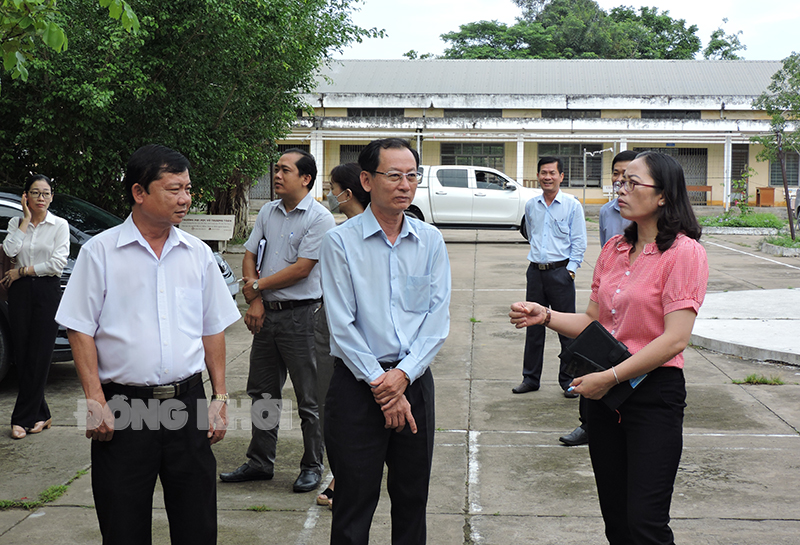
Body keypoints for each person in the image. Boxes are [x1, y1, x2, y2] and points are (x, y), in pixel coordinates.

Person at [510, 151, 708, 544]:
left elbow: (674, 339)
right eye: (620, 182)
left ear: (664, 195)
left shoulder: (684, 253)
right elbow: (592, 322)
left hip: (652, 395)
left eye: (633, 183)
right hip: (604, 397)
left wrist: (610, 377)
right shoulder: (615, 248)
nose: (621, 190)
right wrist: (545, 315)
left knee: (646, 523)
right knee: (616, 521)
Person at [55, 144, 240, 544]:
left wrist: (220, 397)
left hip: (187, 404)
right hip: (123, 409)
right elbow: (79, 329)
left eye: (188, 188)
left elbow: (213, 329)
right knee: (123, 524)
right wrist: (94, 399)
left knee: (197, 525)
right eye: (174, 189)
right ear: (140, 192)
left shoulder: (197, 255)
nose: (186, 199)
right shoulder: (100, 253)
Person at [320, 138, 451, 544]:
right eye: (393, 175)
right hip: (357, 389)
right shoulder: (340, 242)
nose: (404, 185)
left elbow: (437, 320)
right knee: (353, 502)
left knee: (412, 499)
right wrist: (383, 384)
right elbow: (341, 324)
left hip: (414, 385)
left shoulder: (430, 240)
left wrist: (403, 378)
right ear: (366, 179)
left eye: (412, 175)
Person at [220, 148, 336, 493]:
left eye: (285, 170)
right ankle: (260, 462)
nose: (277, 175)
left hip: (303, 318)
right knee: (263, 393)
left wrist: (256, 287)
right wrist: (255, 300)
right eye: (276, 169)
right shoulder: (268, 212)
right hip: (267, 317)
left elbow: (303, 269)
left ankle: (312, 464)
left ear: (306, 178)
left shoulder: (319, 218)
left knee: (309, 397)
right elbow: (250, 253)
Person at [560, 149, 637, 447]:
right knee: (593, 361)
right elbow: (609, 255)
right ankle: (587, 423)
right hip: (609, 303)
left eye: (629, 176)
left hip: (636, 305)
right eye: (617, 174)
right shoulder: (607, 212)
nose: (620, 181)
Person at [315, 162, 370, 509]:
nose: (330, 196)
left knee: (349, 409)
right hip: (340, 331)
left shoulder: (360, 235)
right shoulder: (340, 235)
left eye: (333, 188)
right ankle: (343, 474)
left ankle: (343, 477)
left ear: (348, 193)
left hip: (360, 337)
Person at [513, 156, 587, 397]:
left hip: (561, 273)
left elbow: (579, 242)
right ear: (538, 176)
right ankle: (530, 378)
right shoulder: (531, 205)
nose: (547, 177)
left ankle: (569, 381)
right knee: (532, 327)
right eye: (543, 173)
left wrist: (571, 270)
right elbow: (532, 234)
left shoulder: (572, 205)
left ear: (561, 176)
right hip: (535, 272)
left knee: (567, 330)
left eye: (552, 173)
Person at [2, 175, 69, 440]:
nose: (41, 198)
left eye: (46, 193)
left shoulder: (59, 225)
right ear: (25, 197)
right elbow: (9, 249)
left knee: (40, 354)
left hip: (45, 291)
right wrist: (25, 221)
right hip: (19, 294)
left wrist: (22, 271)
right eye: (35, 193)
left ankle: (22, 418)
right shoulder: (16, 223)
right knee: (23, 354)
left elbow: (57, 264)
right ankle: (42, 414)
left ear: (52, 197)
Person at [598, 150, 637, 248]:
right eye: (616, 174)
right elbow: (605, 249)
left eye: (625, 174)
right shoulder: (606, 211)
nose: (619, 179)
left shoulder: (648, 211)